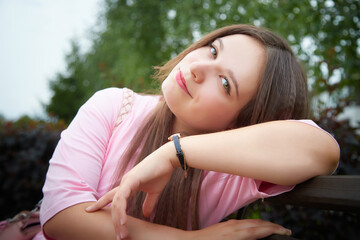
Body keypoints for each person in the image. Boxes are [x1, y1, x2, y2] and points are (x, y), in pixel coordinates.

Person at [37, 24, 339, 240]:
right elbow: (61, 218)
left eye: (225, 84)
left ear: (241, 124)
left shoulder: (230, 171)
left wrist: (174, 153)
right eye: (212, 50)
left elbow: (323, 152)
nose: (197, 68)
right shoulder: (116, 106)